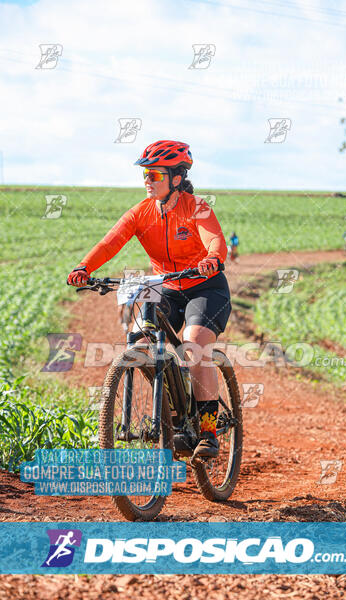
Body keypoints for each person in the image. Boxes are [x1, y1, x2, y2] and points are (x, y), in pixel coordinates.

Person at [67, 140, 231, 459]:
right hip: (166, 285)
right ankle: (173, 410)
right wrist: (84, 266)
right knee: (140, 337)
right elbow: (110, 241)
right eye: (145, 174)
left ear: (176, 178)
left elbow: (215, 238)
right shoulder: (141, 213)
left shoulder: (196, 207)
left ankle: (208, 430)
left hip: (206, 286)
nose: (147, 180)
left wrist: (213, 256)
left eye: (155, 174)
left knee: (194, 343)